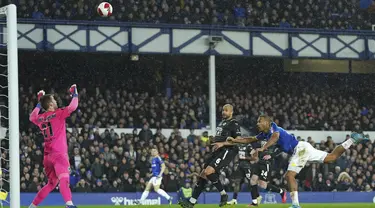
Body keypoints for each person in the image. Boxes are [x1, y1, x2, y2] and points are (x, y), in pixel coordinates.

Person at [228, 115, 369, 208]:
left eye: (260, 121)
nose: (257, 123)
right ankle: (352, 139)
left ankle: (295, 204)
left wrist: (263, 148)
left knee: (289, 175)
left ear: (267, 122)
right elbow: (249, 139)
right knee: (331, 157)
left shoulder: (273, 128)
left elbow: (275, 137)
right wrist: (234, 140)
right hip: (302, 148)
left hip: (299, 149)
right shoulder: (264, 134)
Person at [178, 104, 243, 207]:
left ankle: (223, 194)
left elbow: (238, 140)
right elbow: (221, 138)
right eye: (223, 110)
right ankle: (191, 202)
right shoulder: (222, 123)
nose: (223, 112)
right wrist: (214, 140)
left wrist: (222, 144)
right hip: (217, 150)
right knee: (203, 174)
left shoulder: (234, 123)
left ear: (231, 112)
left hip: (227, 151)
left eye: (226, 110)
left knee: (208, 172)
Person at [28, 85, 79, 208]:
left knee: (51, 183)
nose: (56, 101)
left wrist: (40, 103)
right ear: (50, 105)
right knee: (64, 179)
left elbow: (32, 117)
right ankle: (69, 204)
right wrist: (75, 94)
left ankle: (32, 206)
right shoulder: (58, 114)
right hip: (59, 154)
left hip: (47, 157)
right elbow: (73, 106)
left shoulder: (40, 118)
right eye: (54, 100)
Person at [227, 142, 286, 206]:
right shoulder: (259, 141)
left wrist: (271, 155)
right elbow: (254, 154)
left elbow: (282, 148)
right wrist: (253, 154)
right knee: (252, 181)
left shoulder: (273, 142)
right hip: (258, 163)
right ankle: (254, 202)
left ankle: (281, 191)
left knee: (263, 185)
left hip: (266, 164)